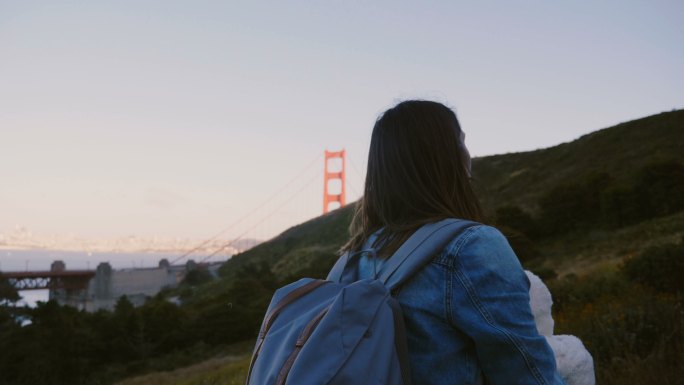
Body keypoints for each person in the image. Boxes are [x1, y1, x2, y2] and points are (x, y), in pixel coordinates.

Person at [340, 100, 566, 385]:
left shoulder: (354, 255)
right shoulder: (470, 246)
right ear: (446, 157)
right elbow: (528, 374)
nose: (468, 154)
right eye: (461, 142)